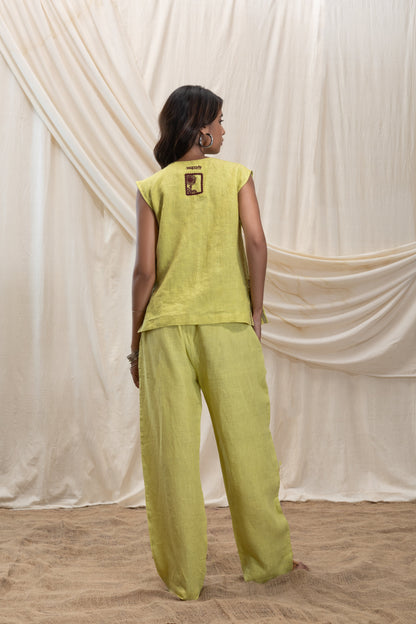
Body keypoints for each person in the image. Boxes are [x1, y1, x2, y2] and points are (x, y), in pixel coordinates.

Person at [128, 85, 307, 600]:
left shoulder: (152, 187)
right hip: (228, 324)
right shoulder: (236, 177)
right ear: (201, 128)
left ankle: (184, 580)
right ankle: (268, 565)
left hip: (165, 330)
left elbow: (144, 273)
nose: (225, 130)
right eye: (221, 121)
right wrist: (255, 309)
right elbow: (257, 242)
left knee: (172, 457)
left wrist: (135, 344)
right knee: (248, 447)